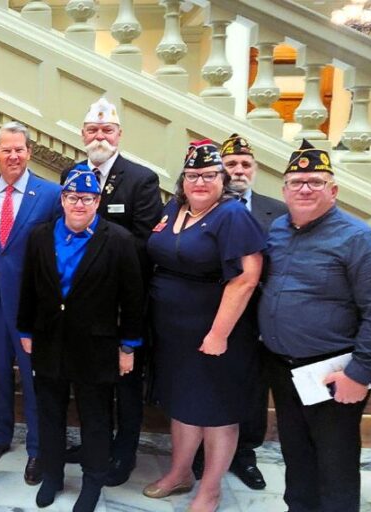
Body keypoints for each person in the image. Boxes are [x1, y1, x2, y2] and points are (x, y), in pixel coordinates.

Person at [260, 140, 371, 512]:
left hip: (335, 372)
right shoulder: (277, 230)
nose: (304, 188)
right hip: (284, 369)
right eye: (296, 181)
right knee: (296, 456)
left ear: (333, 190)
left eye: (315, 182)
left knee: (336, 465)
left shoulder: (358, 239)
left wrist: (359, 374)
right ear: (284, 190)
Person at [144, 140, 264, 511]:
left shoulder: (232, 215)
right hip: (172, 331)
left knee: (217, 412)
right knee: (182, 404)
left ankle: (210, 490)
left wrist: (218, 334)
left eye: (209, 175)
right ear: (183, 179)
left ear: (222, 178)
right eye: (193, 175)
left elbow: (246, 278)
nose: (200, 181)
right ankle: (180, 473)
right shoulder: (175, 207)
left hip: (214, 333)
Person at [17, 166, 144, 511]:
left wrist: (129, 346)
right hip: (48, 341)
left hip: (96, 345)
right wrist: (25, 330)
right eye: (72, 197)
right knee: (50, 414)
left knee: (96, 418)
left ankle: (92, 483)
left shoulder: (118, 240)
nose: (78, 204)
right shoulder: (40, 236)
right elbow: (29, 286)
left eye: (86, 198)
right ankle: (53, 476)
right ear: (62, 199)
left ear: (98, 201)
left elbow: (133, 299)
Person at [60, 97, 163, 486]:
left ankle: (123, 454)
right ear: (83, 134)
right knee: (88, 380)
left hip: (121, 304)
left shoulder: (141, 179)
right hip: (79, 306)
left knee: (126, 386)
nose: (99, 135)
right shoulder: (70, 173)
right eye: (92, 129)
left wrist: (97, 258)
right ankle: (94, 445)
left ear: (119, 135)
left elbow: (144, 242)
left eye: (107, 130)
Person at [192, 133, 287, 489]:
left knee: (251, 389)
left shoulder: (275, 211)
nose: (238, 170)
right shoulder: (202, 204)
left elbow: (277, 266)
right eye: (230, 164)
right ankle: (203, 454)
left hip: (256, 318)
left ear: (256, 169)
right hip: (208, 314)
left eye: (245, 164)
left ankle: (245, 456)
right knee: (207, 384)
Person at [0, 121, 62, 484]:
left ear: (29, 152)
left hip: (31, 307)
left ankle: (37, 449)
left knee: (33, 377)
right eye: (5, 149)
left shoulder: (50, 194)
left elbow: (57, 252)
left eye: (19, 149)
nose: (13, 155)